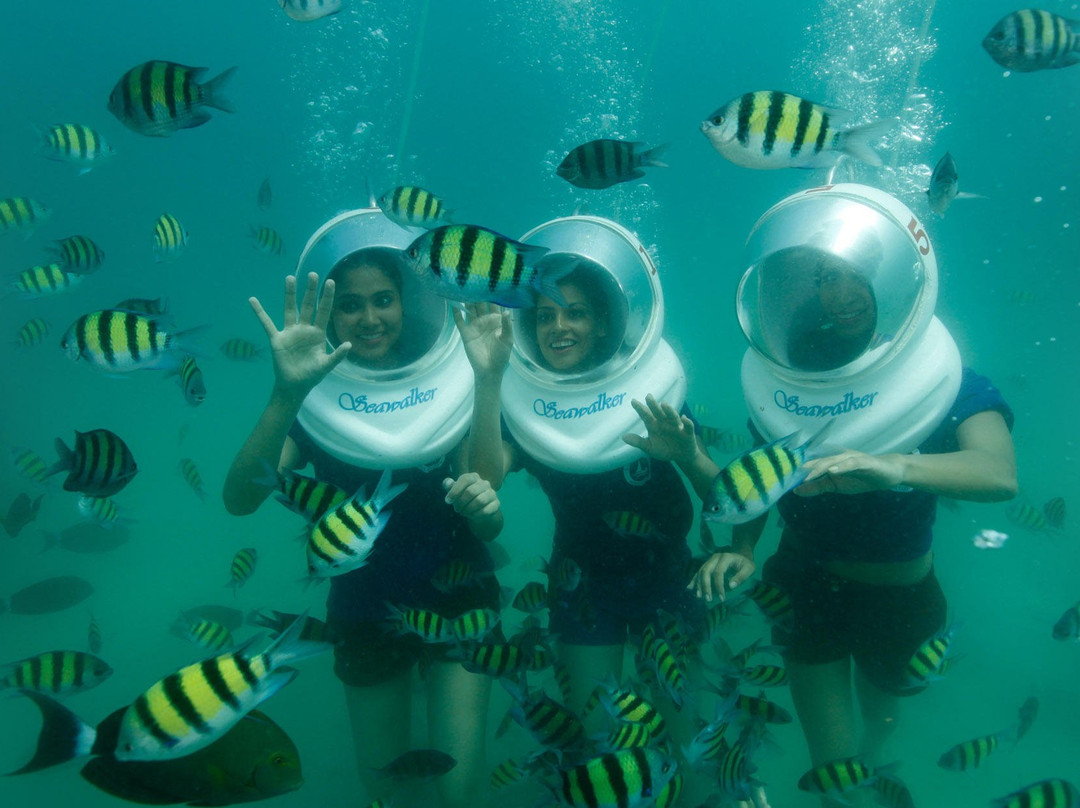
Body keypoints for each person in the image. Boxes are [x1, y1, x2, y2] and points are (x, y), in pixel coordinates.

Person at [670, 184, 1016, 806]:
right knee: (834, 770)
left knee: (877, 738)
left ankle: (879, 767)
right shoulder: (793, 373)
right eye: (826, 277)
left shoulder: (940, 377)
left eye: (856, 275)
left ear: (885, 276)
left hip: (900, 596)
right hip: (804, 584)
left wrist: (893, 466)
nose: (842, 294)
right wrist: (745, 547)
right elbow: (763, 481)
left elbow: (998, 474)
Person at [222, 210, 504, 808]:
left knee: (457, 788)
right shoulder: (314, 398)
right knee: (385, 788)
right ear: (330, 314)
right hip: (361, 605)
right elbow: (240, 498)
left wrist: (487, 380)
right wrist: (286, 392)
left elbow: (488, 496)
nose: (370, 318)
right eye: (350, 304)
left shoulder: (450, 378)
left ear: (407, 303)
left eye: (383, 300)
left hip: (461, 595)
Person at [458, 215, 713, 797]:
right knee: (599, 741)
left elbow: (723, 495)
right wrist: (490, 377)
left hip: (667, 576)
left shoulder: (649, 383)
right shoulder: (527, 401)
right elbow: (484, 478)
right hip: (582, 582)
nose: (558, 326)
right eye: (544, 315)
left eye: (574, 313)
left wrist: (691, 456)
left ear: (601, 324)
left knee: (688, 736)